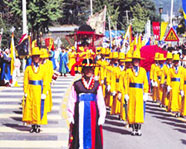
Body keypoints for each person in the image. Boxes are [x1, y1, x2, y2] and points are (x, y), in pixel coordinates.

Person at [67, 58, 106, 149]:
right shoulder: (77, 84)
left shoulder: (96, 85)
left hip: (93, 115)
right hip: (79, 115)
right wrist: (70, 115)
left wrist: (102, 116)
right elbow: (71, 100)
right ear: (83, 71)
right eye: (86, 69)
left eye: (90, 69)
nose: (88, 71)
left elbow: (100, 101)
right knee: (78, 135)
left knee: (93, 136)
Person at [22, 47, 48, 133]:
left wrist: (44, 92)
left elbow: (46, 81)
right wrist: (25, 91)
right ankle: (32, 125)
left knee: (38, 107)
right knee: (30, 107)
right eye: (34, 56)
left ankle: (38, 124)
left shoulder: (43, 68)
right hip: (30, 89)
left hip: (39, 89)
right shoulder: (28, 68)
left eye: (37, 56)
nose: (36, 58)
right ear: (32, 58)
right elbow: (25, 81)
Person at [125, 50, 149, 136]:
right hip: (131, 92)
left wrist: (146, 93)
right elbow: (126, 83)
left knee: (139, 110)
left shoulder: (143, 71)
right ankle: (133, 128)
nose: (136, 62)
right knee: (132, 109)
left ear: (139, 61)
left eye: (137, 60)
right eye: (134, 60)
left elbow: (145, 82)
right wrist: (126, 94)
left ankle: (139, 128)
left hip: (139, 92)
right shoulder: (128, 71)